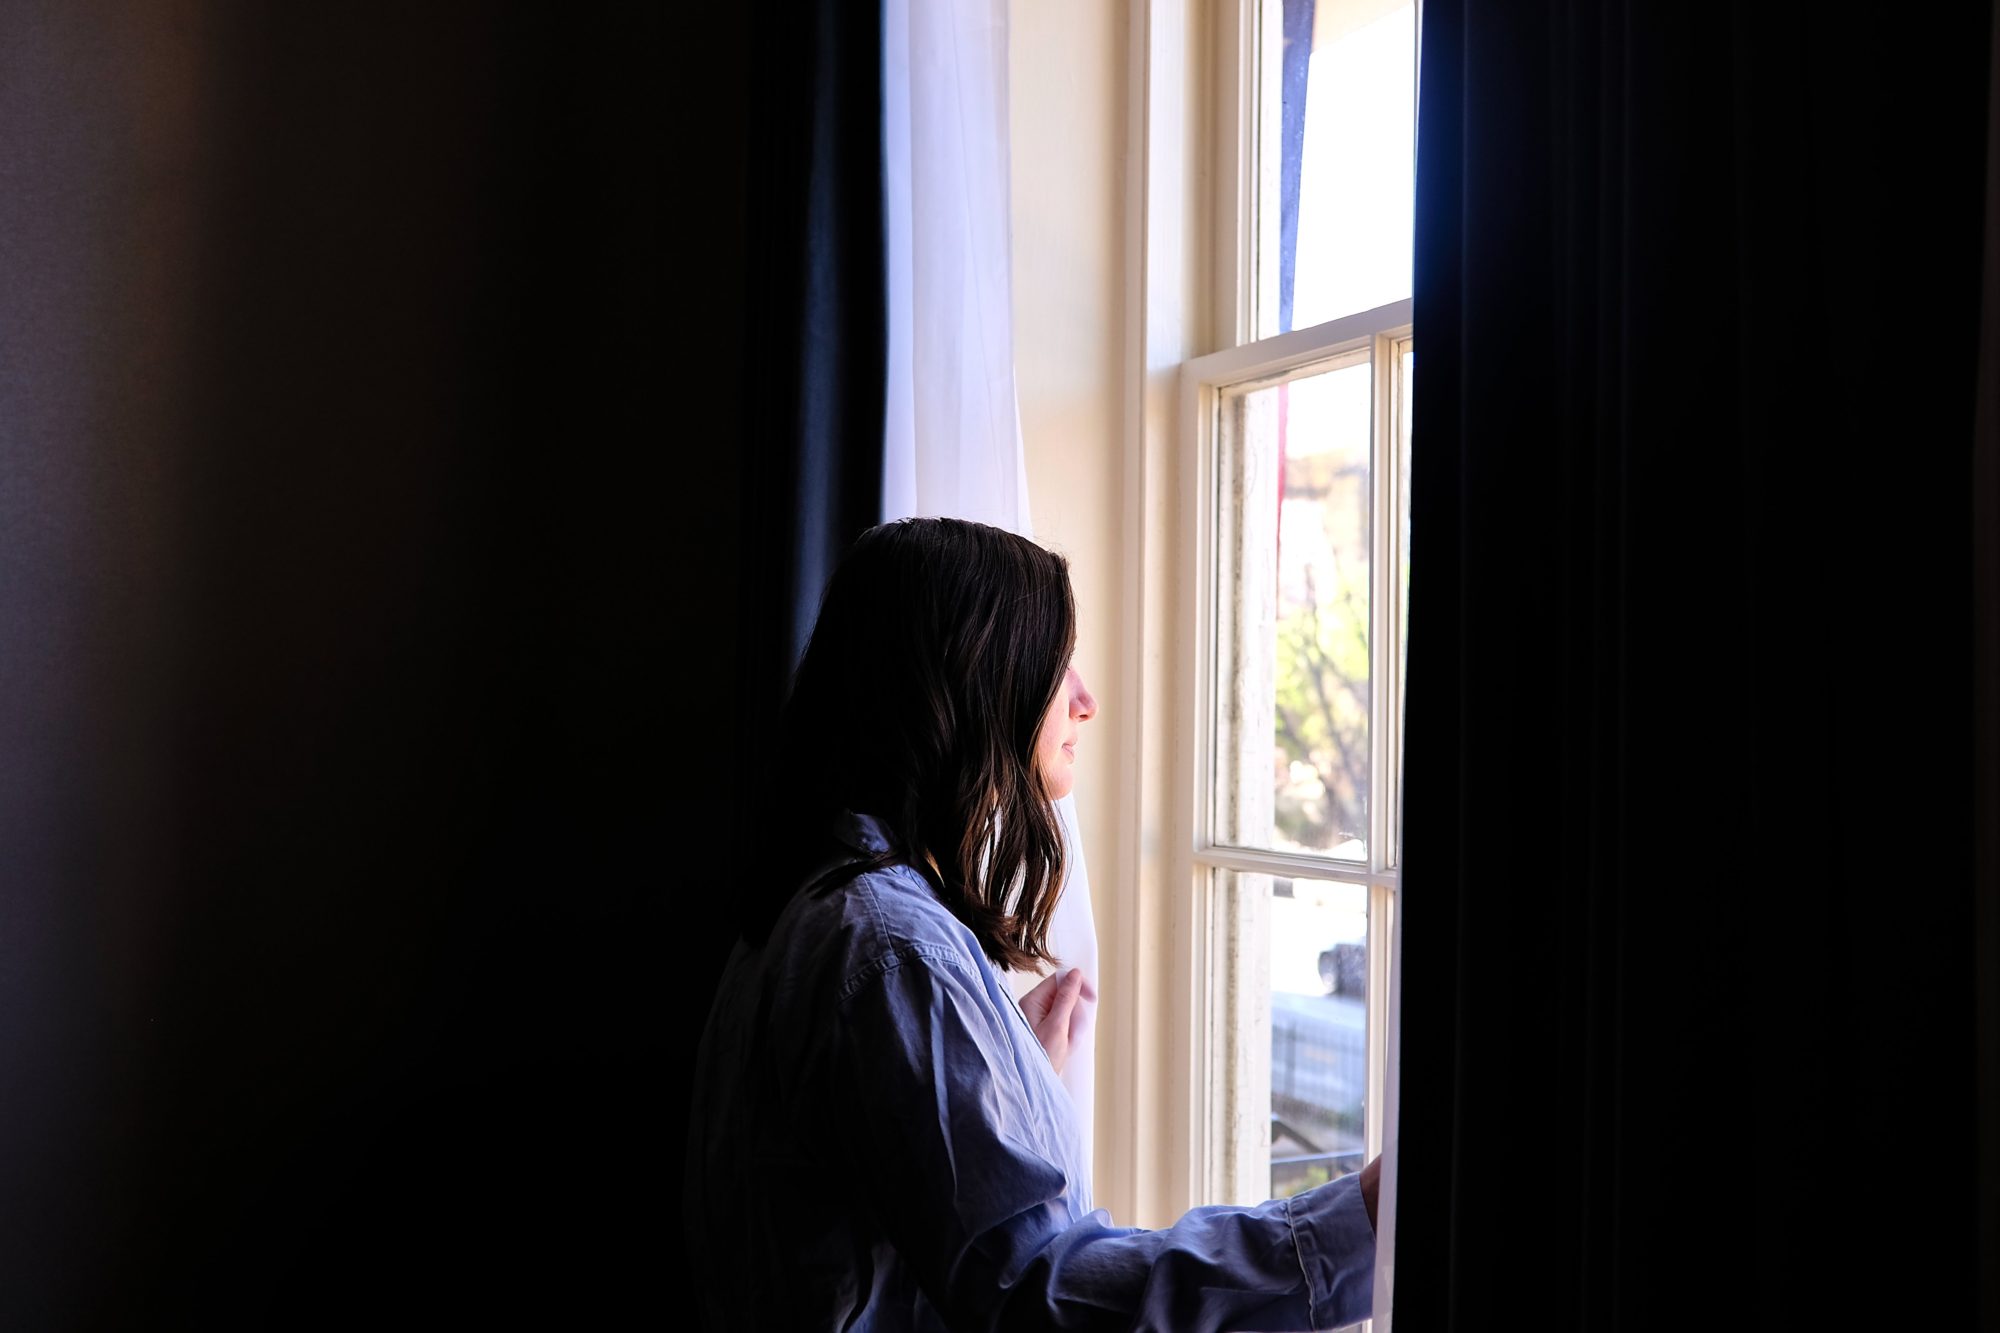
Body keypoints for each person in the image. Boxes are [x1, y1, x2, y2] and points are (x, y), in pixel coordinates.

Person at [686, 517, 1380, 1331]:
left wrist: (991, 1074)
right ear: (974, 681)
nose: (1085, 700)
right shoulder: (892, 951)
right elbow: (1045, 1295)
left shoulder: (816, 904)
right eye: (1057, 665)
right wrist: (1358, 1223)